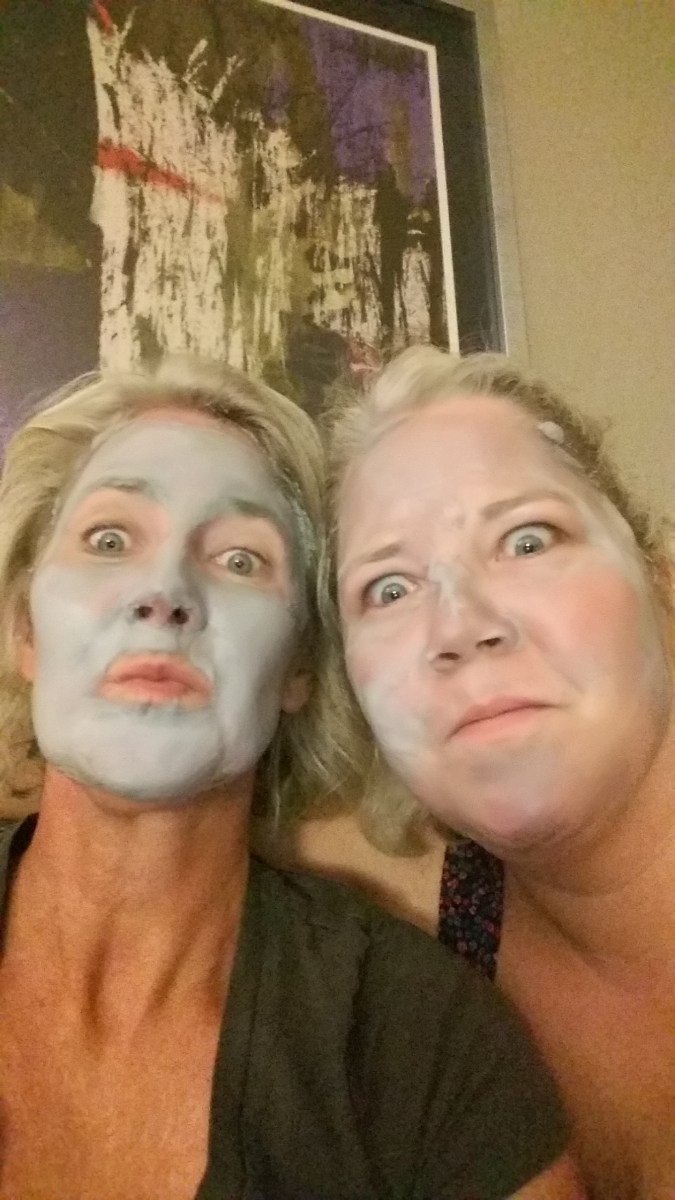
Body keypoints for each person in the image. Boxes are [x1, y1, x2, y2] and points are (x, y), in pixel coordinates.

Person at [0, 356, 583, 1199]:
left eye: (240, 559)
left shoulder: (415, 1039)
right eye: (110, 539)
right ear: (26, 627)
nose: (163, 593)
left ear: (298, 667)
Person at [274, 345, 674, 1200]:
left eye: (526, 540)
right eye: (387, 589)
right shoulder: (426, 908)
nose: (460, 626)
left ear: (659, 583)